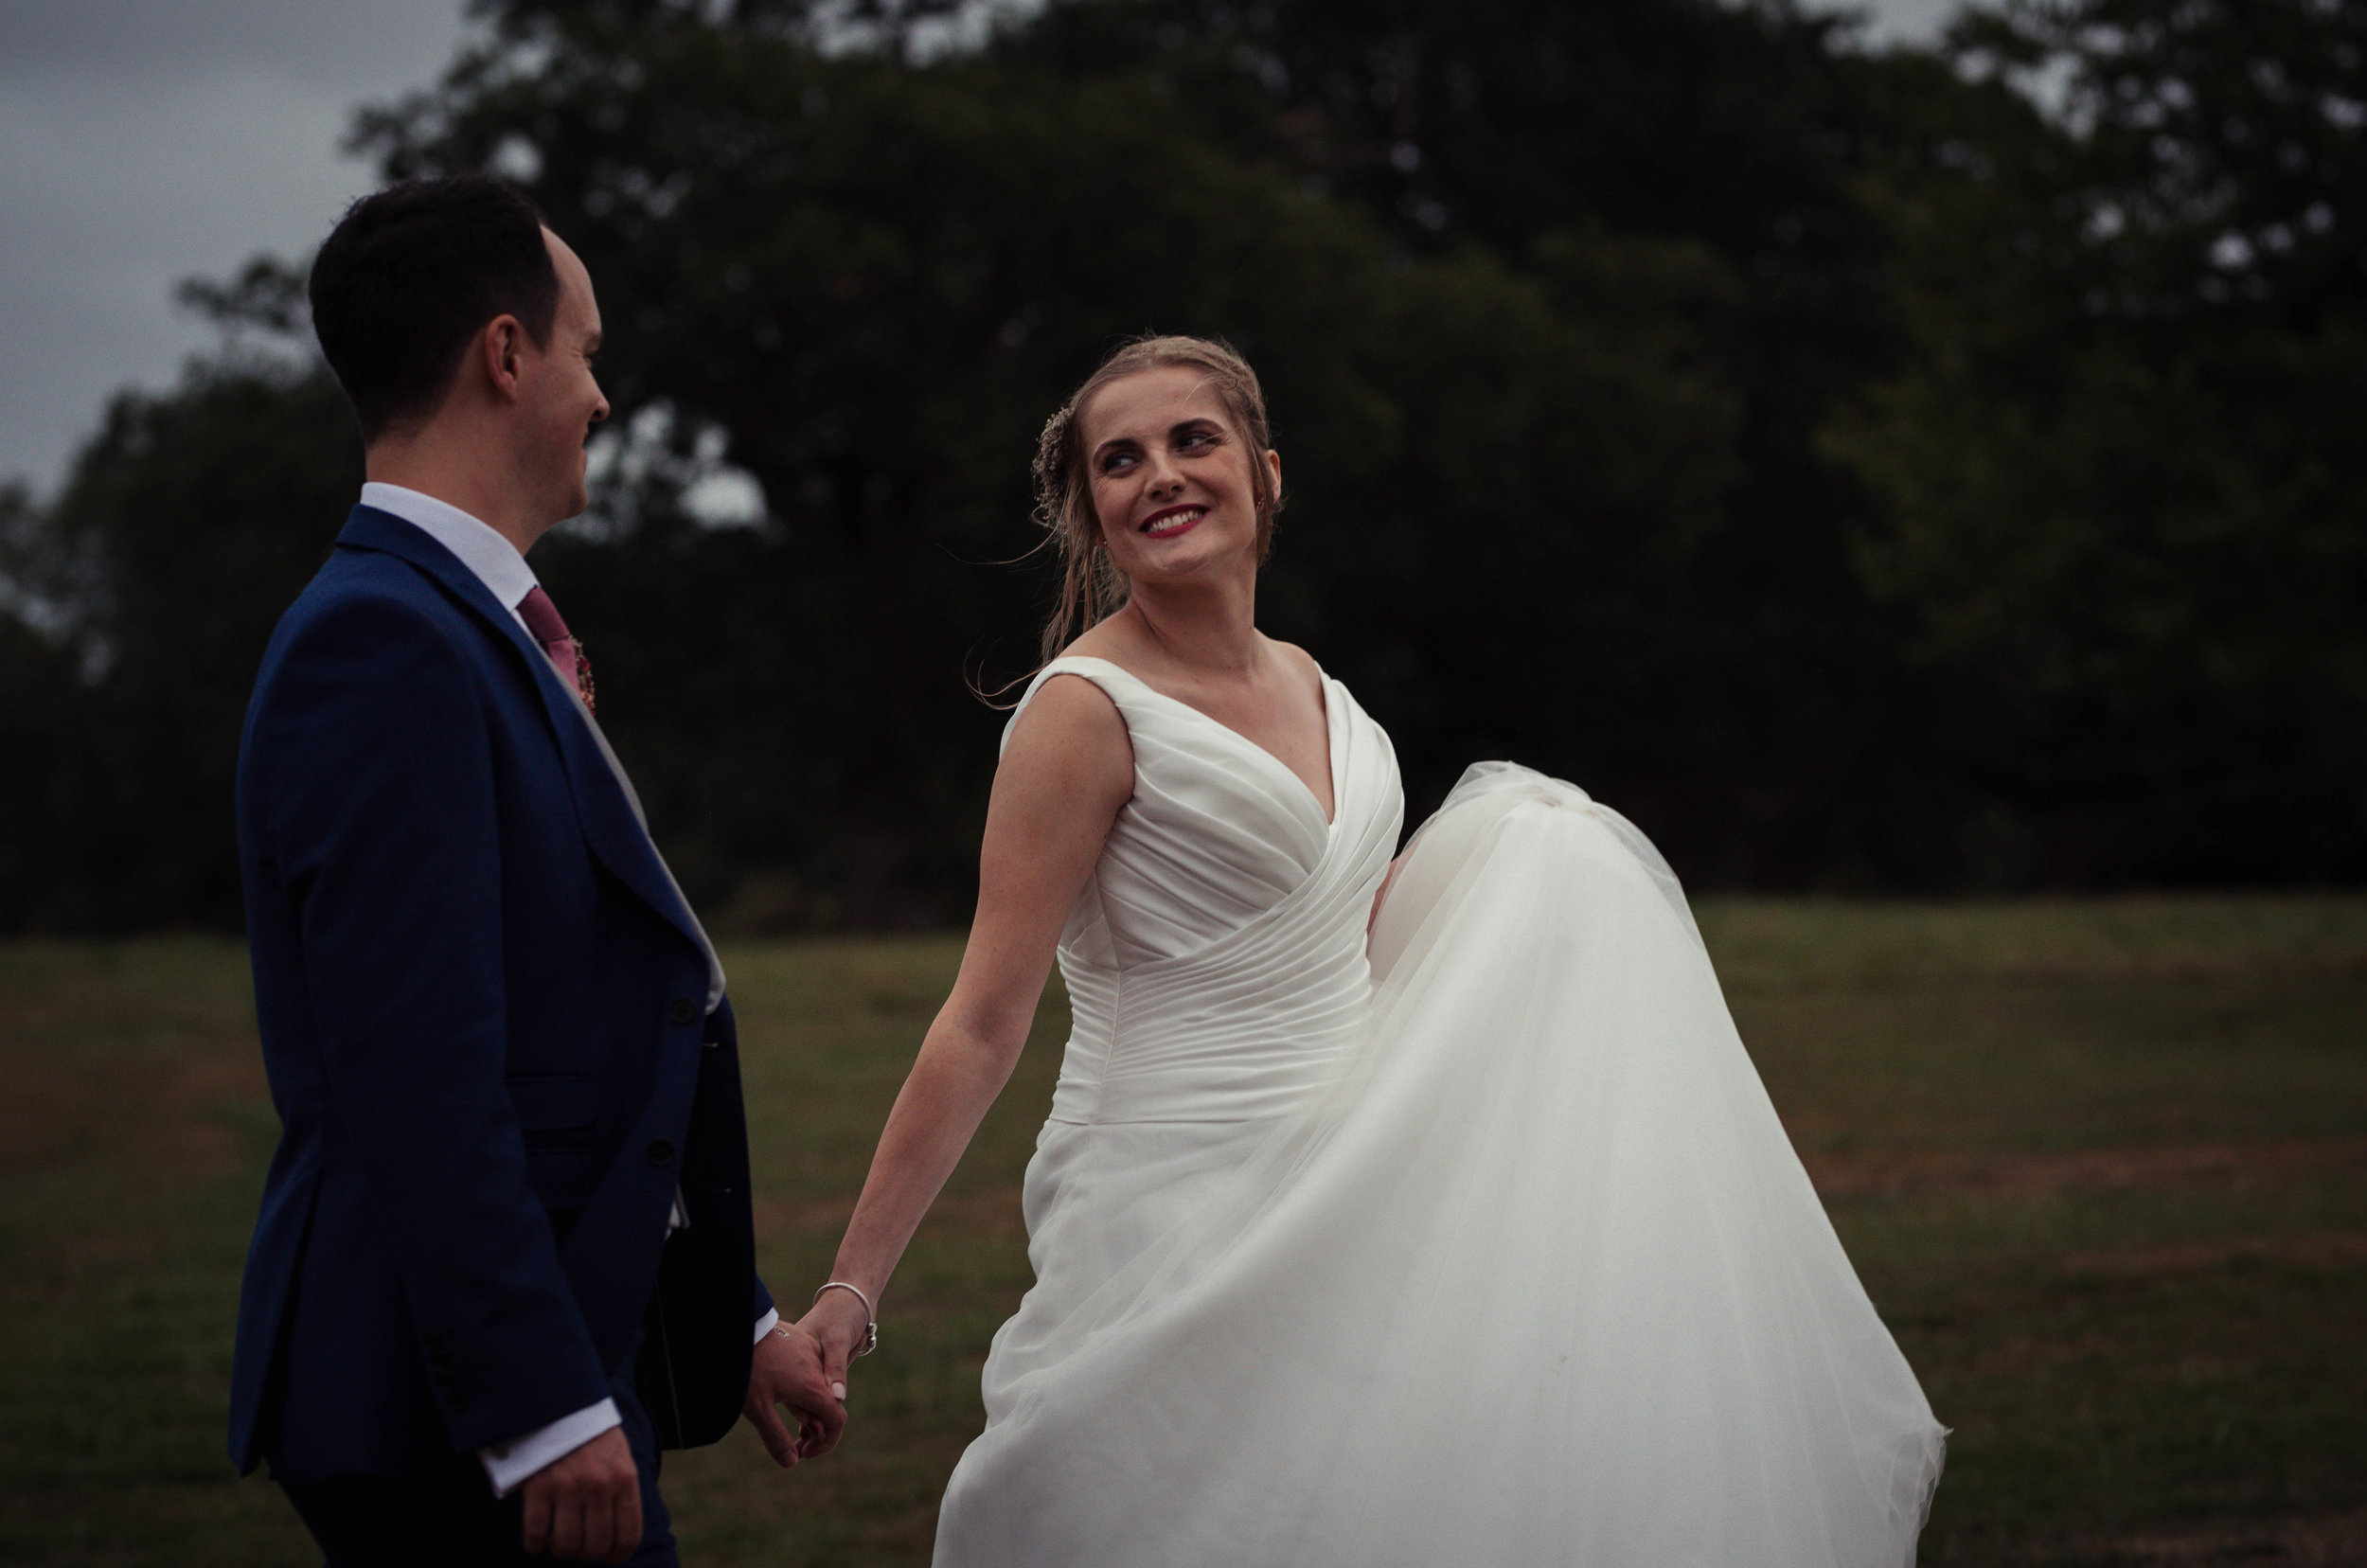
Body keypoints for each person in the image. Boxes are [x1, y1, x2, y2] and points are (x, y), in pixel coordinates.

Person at [796, 335, 1949, 1564]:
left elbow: (1338, 936)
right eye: (1118, 462)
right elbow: (982, 1018)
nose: (1161, 477)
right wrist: (850, 1292)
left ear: (1268, 473)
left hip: (1360, 1176)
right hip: (1165, 1191)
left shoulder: (1322, 690)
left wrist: (1533, 895)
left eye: (1195, 441)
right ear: (1091, 513)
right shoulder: (1083, 716)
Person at [227, 175, 844, 1566]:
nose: (602, 397)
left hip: (558, 1344)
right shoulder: (383, 646)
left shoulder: (467, 625)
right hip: (463, 1401)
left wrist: (728, 1320)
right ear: (506, 355)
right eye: (588, 350)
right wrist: (542, 1403)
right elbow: (419, 1071)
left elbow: (578, 1033)